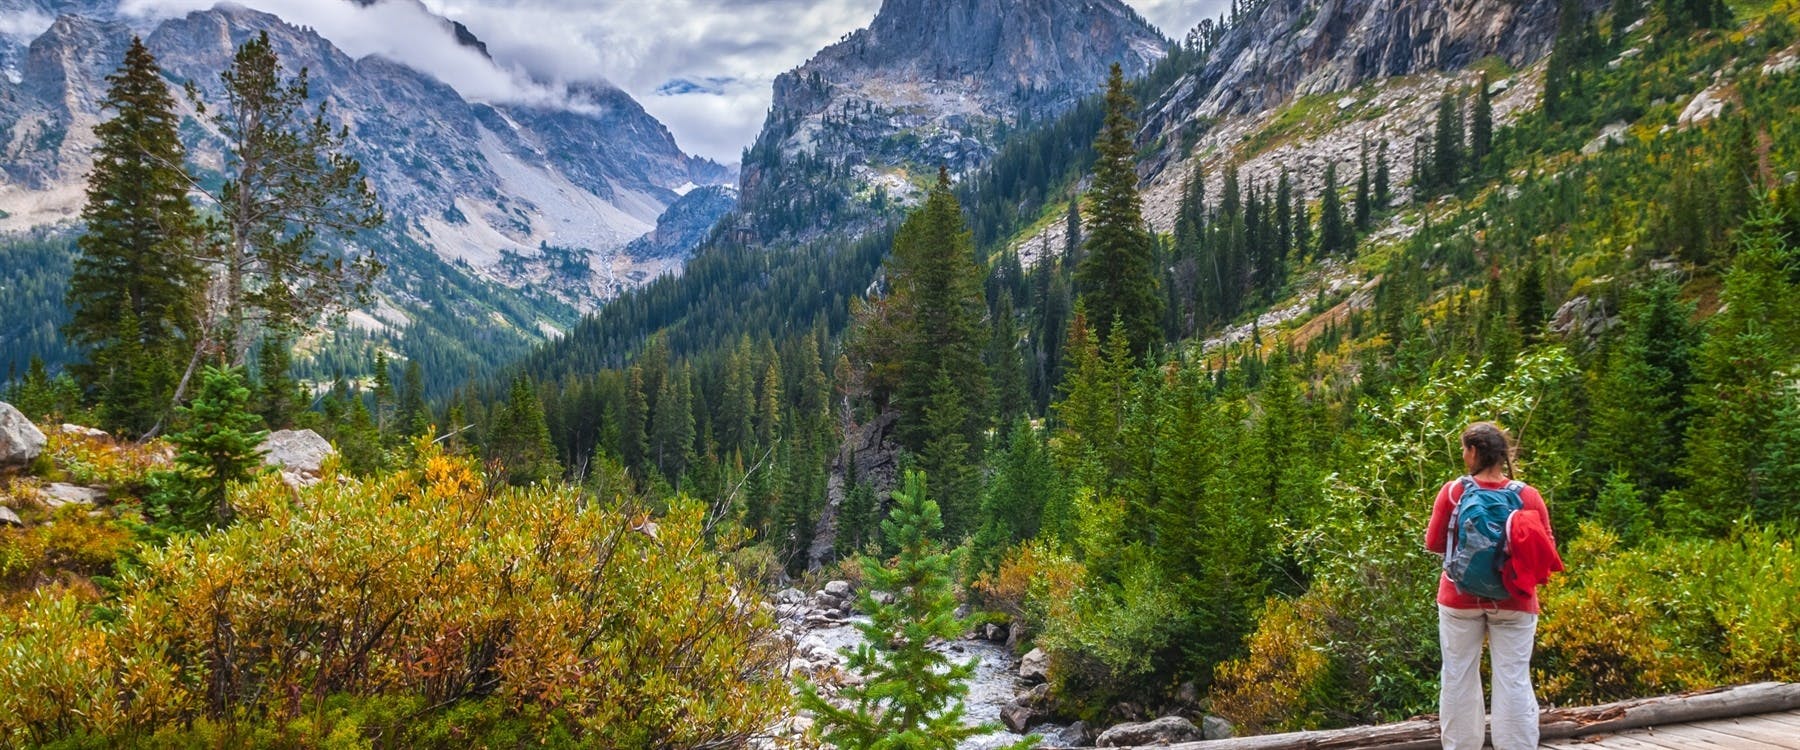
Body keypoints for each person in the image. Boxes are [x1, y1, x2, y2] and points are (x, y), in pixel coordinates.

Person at [1424, 422, 1557, 750]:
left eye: (1464, 449)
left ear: (1474, 452)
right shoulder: (1527, 496)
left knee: (1458, 675)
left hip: (1459, 598)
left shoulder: (1454, 492)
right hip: (1515, 599)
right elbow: (1547, 547)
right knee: (1512, 679)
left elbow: (1434, 543)